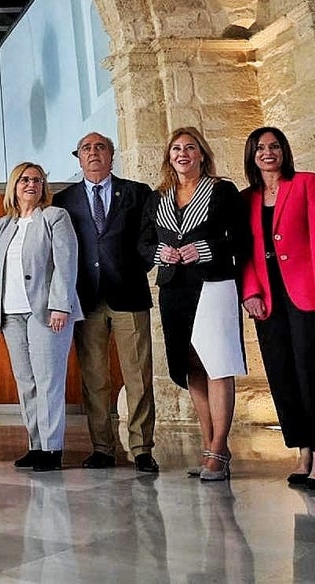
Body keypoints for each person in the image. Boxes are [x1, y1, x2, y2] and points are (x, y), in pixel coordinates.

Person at [139, 127, 250, 481]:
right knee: (192, 367)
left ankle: (219, 448)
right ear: (168, 157)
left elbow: (240, 238)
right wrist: (161, 252)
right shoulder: (158, 198)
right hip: (174, 288)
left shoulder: (222, 190)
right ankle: (209, 444)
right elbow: (142, 245)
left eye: (190, 148)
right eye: (176, 148)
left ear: (202, 154)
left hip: (213, 284)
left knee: (216, 363)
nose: (183, 153)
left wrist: (203, 249)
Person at [52, 132, 159, 473]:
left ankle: (141, 448)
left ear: (112, 156)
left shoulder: (137, 192)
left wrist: (133, 267)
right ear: (78, 158)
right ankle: (102, 447)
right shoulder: (63, 199)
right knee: (95, 376)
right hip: (86, 298)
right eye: (86, 148)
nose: (94, 153)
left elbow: (148, 239)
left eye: (100, 147)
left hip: (129, 294)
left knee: (138, 374)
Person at [0, 162, 83, 473]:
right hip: (11, 313)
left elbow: (66, 263)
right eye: (24, 180)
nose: (31, 184)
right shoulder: (4, 225)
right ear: (14, 187)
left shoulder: (55, 217)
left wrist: (61, 305)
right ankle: (35, 444)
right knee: (26, 382)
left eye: (37, 180)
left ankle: (52, 447)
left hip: (46, 311)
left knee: (48, 381)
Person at [240, 126, 315, 486]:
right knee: (282, 373)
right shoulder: (247, 199)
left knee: (310, 370)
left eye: (273, 146)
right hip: (267, 298)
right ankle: (303, 453)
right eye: (260, 148)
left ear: (283, 150)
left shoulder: (305, 184)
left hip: (305, 293)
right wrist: (250, 292)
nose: (267, 153)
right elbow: (245, 254)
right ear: (252, 156)